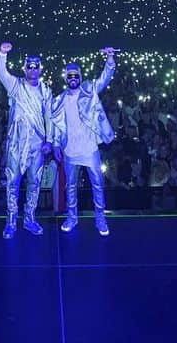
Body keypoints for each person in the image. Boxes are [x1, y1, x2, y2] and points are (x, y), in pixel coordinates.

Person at [50, 48, 116, 235]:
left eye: (76, 75)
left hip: (90, 150)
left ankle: (100, 219)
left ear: (80, 76)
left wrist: (110, 59)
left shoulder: (89, 90)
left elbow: (105, 77)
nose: (73, 78)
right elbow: (57, 124)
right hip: (70, 150)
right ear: (66, 78)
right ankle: (72, 218)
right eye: (69, 75)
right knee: (70, 186)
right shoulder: (59, 100)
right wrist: (56, 144)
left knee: (97, 184)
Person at [0, 41, 54, 239]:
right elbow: (1, 73)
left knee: (34, 182)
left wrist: (49, 140)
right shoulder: (16, 85)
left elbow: (49, 117)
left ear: (40, 69)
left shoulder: (46, 90)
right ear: (25, 68)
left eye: (35, 66)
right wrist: (2, 54)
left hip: (37, 145)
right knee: (12, 183)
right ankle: (11, 222)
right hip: (16, 144)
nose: (32, 69)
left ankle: (29, 219)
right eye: (29, 66)